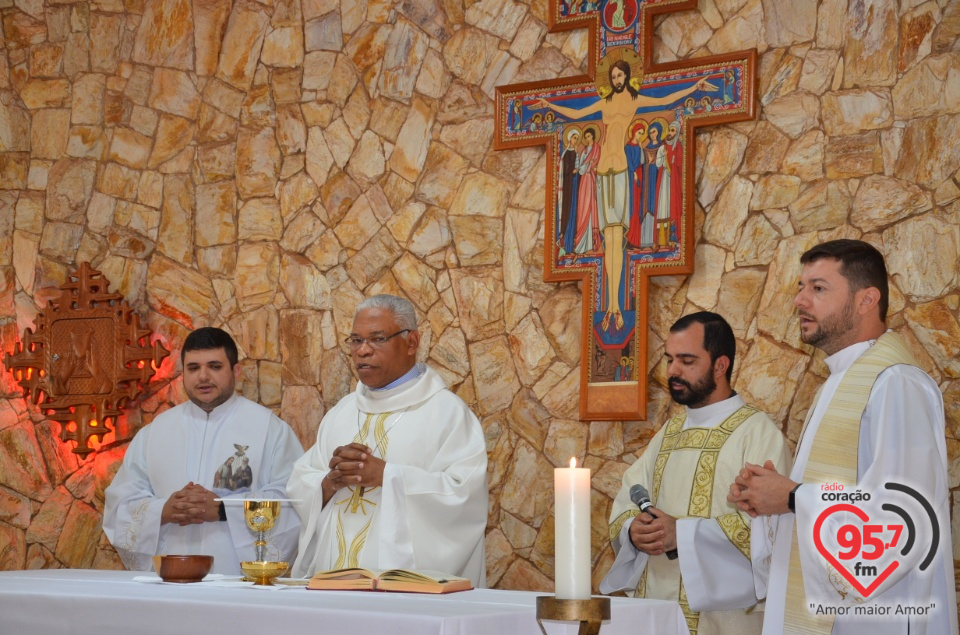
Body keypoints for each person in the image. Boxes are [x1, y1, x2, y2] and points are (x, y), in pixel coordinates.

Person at [728, 239, 958, 635]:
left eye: (818, 288)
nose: (800, 300)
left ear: (867, 299)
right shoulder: (839, 382)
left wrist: (791, 497)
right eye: (801, 288)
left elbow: (903, 513)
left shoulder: (896, 383)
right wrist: (767, 500)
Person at [600, 312, 791, 635]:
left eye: (687, 360)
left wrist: (682, 534)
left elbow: (769, 531)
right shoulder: (669, 432)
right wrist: (633, 530)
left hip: (725, 619)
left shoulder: (757, 434)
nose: (673, 371)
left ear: (720, 365)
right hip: (657, 611)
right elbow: (630, 495)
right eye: (670, 359)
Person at [287, 295, 488, 585]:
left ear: (412, 342)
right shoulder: (342, 412)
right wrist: (329, 482)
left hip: (405, 594)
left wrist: (387, 475)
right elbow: (300, 480)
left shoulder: (447, 413)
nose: (362, 351)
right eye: (355, 341)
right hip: (331, 587)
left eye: (377, 339)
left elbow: (464, 498)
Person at [103, 327, 304, 575]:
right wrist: (162, 511)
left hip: (238, 583)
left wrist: (223, 510)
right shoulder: (155, 433)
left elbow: (294, 501)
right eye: (193, 368)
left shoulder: (270, 430)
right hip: (168, 581)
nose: (203, 377)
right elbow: (121, 502)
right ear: (183, 373)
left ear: (236, 371)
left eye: (215, 366)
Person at [534, 59, 709, 331]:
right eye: (613, 76)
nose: (616, 80)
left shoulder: (635, 101)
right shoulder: (604, 104)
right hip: (603, 173)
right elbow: (576, 114)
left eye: (619, 75)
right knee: (608, 242)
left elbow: (666, 98)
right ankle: (611, 306)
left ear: (627, 77)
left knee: (617, 240)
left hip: (620, 176)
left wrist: (693, 88)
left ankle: (615, 305)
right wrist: (550, 106)